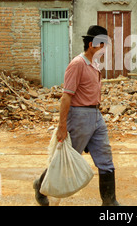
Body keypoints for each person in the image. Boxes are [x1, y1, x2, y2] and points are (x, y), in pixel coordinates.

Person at [33, 25, 120, 206]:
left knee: (106, 157)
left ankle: (109, 202)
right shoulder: (77, 64)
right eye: (102, 46)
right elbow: (66, 97)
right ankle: (40, 185)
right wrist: (62, 126)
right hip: (79, 116)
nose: (104, 50)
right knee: (67, 159)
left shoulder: (95, 64)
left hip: (96, 115)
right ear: (91, 45)